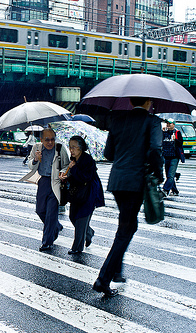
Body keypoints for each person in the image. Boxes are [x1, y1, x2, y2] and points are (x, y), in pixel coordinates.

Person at [93, 97, 163, 297]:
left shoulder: (118, 120)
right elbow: (156, 150)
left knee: (126, 226)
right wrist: (158, 174)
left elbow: (109, 154)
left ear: (131, 102)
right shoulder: (152, 121)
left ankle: (116, 271)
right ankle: (103, 279)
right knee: (126, 229)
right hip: (135, 182)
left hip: (118, 181)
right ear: (149, 102)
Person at [23, 128, 70, 251]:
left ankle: (47, 242)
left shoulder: (60, 148)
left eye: (52, 139)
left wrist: (62, 173)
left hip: (56, 182)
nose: (50, 142)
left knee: (51, 214)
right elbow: (29, 164)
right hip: (43, 181)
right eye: (47, 140)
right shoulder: (36, 148)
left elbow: (66, 165)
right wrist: (35, 159)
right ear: (41, 140)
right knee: (40, 210)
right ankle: (56, 226)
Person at [59, 136, 104, 254]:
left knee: (81, 219)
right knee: (73, 216)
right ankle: (88, 233)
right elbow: (74, 176)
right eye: (70, 147)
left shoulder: (88, 160)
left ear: (81, 148)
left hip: (89, 193)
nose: (71, 150)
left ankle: (77, 248)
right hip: (76, 193)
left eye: (74, 147)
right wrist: (66, 176)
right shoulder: (73, 159)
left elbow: (85, 177)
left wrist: (73, 169)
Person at [161, 118, 183, 196]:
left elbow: (181, 144)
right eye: (167, 123)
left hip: (174, 157)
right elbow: (160, 141)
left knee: (170, 175)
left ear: (173, 124)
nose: (168, 125)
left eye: (169, 123)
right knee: (169, 175)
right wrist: (162, 132)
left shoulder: (177, 132)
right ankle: (175, 190)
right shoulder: (164, 132)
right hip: (166, 156)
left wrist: (176, 140)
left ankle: (165, 190)